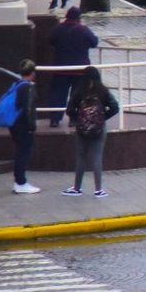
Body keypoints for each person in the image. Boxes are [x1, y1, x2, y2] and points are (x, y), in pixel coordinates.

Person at [61, 66, 119, 198]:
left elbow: (69, 110)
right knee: (97, 157)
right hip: (99, 128)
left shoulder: (79, 91)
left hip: (82, 129)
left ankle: (77, 188)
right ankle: (98, 190)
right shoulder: (103, 91)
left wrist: (79, 119)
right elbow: (115, 107)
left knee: (81, 157)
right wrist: (102, 117)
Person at [47, 7, 98, 128]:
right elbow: (94, 42)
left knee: (58, 94)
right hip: (79, 70)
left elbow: (51, 40)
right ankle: (73, 119)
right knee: (77, 95)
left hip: (60, 69)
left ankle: (55, 119)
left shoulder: (57, 29)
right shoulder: (83, 30)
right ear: (79, 18)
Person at [3, 60, 39, 194]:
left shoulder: (16, 84)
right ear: (33, 72)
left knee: (19, 152)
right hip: (23, 125)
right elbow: (28, 109)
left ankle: (19, 181)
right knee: (23, 153)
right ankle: (20, 182)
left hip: (14, 124)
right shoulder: (28, 87)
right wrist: (32, 126)